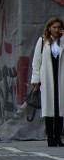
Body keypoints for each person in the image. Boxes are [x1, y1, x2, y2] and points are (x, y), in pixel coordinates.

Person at [30, 16, 64, 147]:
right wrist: (36, 79)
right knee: (49, 108)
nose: (56, 30)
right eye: (54, 27)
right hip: (47, 78)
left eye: (59, 28)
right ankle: (50, 137)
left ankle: (58, 137)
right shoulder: (43, 41)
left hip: (60, 78)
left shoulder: (62, 41)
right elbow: (36, 61)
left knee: (60, 109)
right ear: (49, 28)